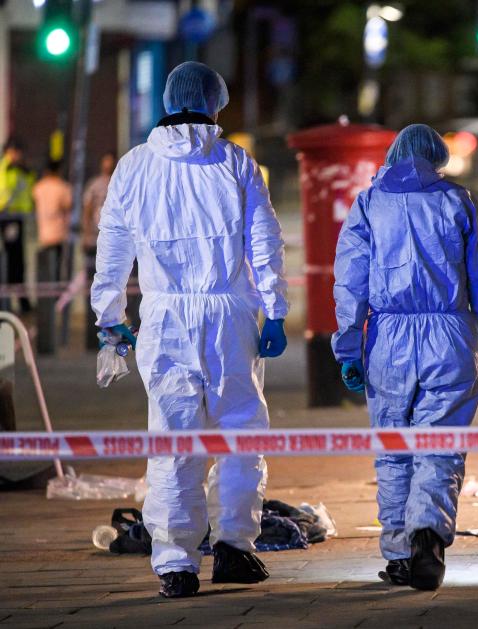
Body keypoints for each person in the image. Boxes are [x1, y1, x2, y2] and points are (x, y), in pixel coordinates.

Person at [90, 61, 288, 599]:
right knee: (241, 432)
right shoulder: (234, 162)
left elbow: (112, 250)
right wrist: (275, 308)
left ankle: (175, 563)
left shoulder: (134, 167)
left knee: (174, 437)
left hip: (163, 316)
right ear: (215, 105)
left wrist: (111, 320)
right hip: (230, 315)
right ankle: (233, 548)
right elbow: (263, 242)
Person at [332, 123, 478, 591]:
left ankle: (399, 555)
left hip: (387, 337)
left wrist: (349, 347)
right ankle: (426, 533)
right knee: (441, 443)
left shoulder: (369, 204)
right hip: (450, 335)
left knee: (393, 452)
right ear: (438, 156)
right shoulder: (458, 200)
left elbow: (350, 281)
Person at [82, 152, 116, 349]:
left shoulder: (119, 180)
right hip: (95, 240)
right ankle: (94, 336)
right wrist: (86, 235)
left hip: (113, 241)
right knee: (95, 287)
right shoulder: (95, 184)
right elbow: (87, 208)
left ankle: (112, 334)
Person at [0, 139, 36, 312]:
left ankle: (20, 301)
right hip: (7, 217)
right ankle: (14, 302)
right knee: (11, 261)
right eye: (16, 151)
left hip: (17, 217)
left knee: (17, 262)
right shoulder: (5, 168)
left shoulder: (21, 171)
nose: (19, 155)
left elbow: (28, 189)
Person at [32, 160, 72, 277]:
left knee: (44, 269)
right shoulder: (62, 187)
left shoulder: (38, 187)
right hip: (59, 233)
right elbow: (68, 205)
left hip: (43, 233)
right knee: (57, 269)